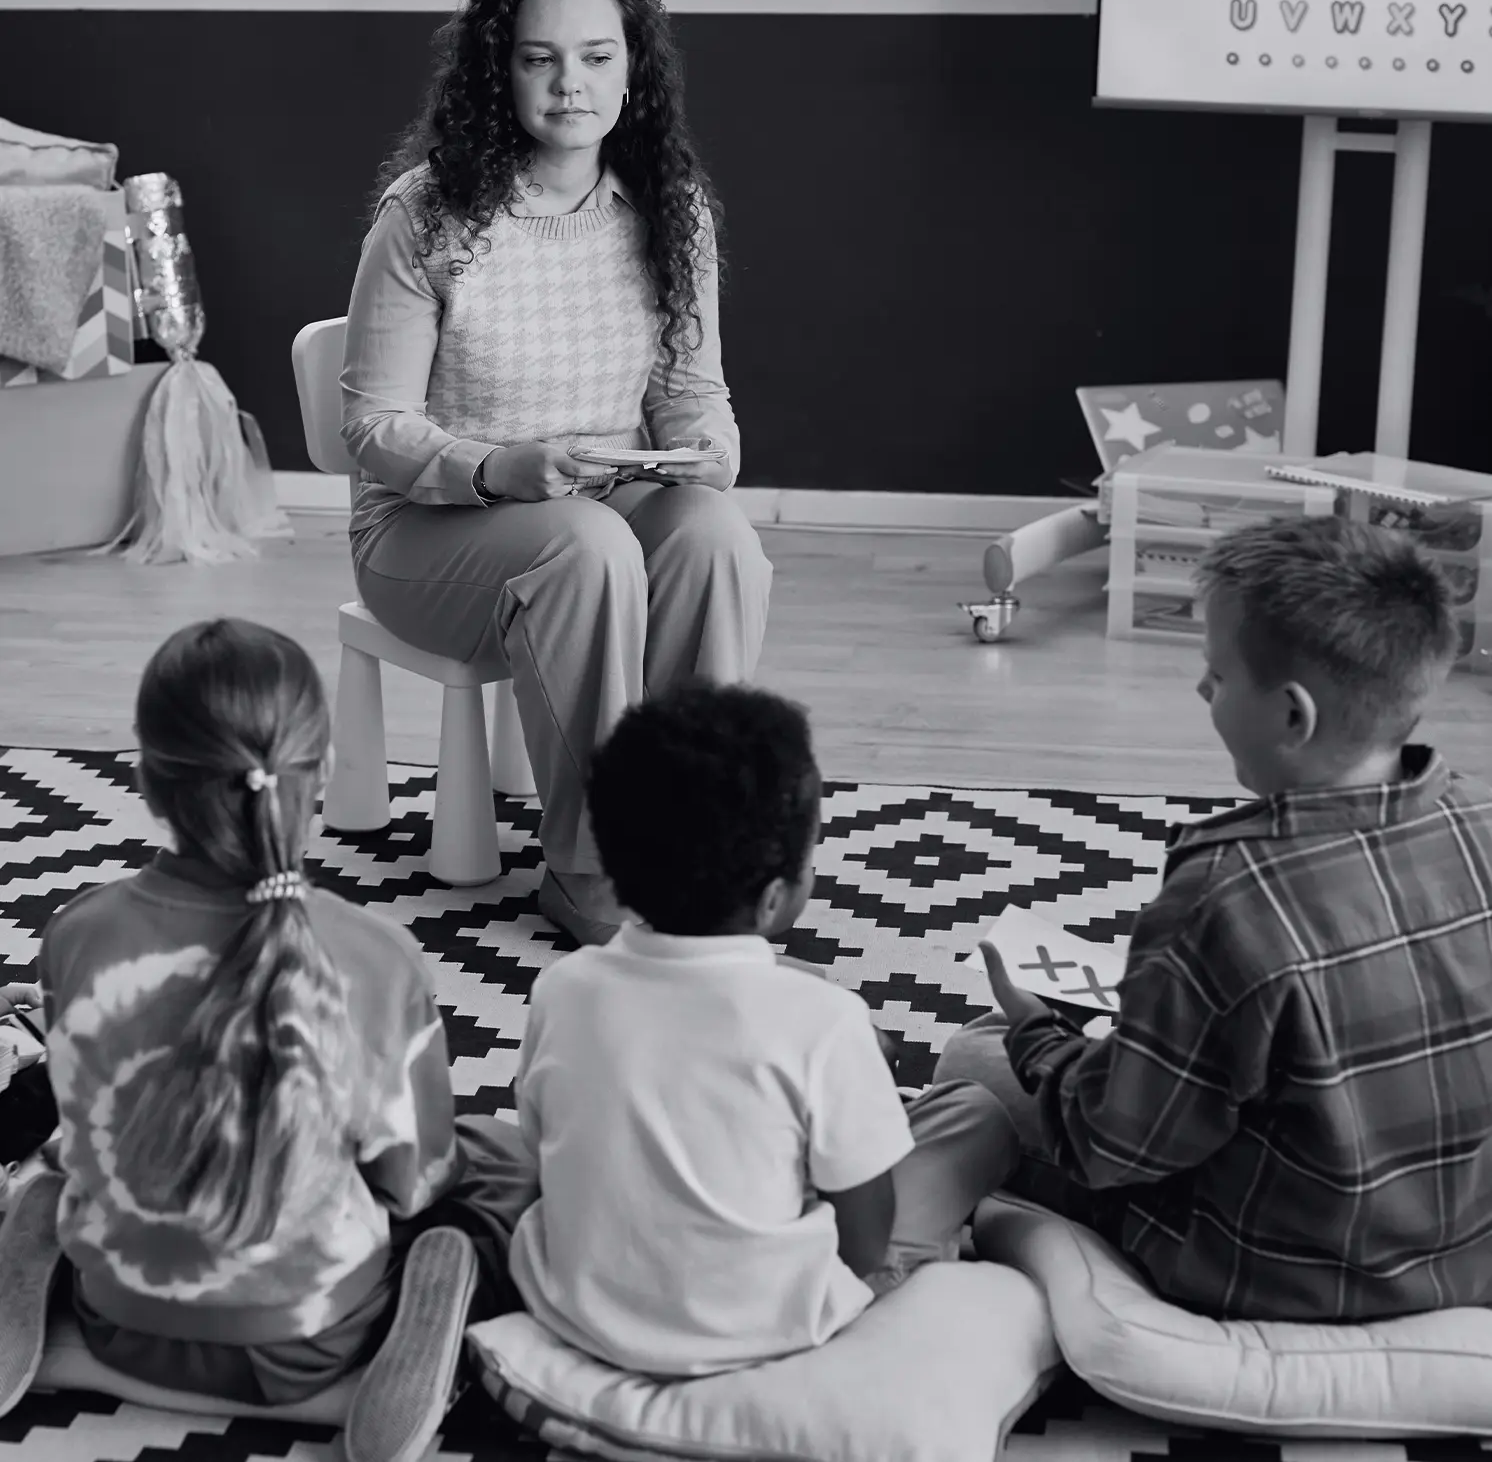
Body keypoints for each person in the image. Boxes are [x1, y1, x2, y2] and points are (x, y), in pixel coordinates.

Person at [0, 621, 536, 1462]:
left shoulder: (78, 933)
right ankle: (428, 1312)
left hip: (118, 1321)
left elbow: (81, 1101)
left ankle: (39, 1239)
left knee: (65, 1158)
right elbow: (414, 1181)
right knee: (504, 1167)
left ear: (144, 779)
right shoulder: (373, 955)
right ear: (319, 774)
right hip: (311, 1340)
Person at [942, 515, 1492, 1323]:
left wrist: (1032, 1029)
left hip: (1270, 1268)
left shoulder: (1226, 894)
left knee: (974, 1061)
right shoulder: (1477, 823)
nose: (1204, 690)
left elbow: (1115, 1145)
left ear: (1292, 716)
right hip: (1463, 1253)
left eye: (1218, 674)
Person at [343, 0, 771, 944]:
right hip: (429, 530)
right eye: (539, 59)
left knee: (716, 539)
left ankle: (695, 848)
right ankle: (591, 872)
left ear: (633, 68)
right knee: (586, 549)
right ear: (501, 73)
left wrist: (709, 445)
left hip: (600, 504)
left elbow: (688, 390)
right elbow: (372, 427)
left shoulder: (673, 209)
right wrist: (497, 467)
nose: (569, 84)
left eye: (595, 56)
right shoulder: (428, 215)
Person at [505, 682, 1016, 1376]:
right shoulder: (826, 1023)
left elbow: (542, 1159)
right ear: (776, 897)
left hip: (576, 1307)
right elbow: (861, 1247)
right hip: (766, 1324)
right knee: (977, 1116)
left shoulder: (561, 989)